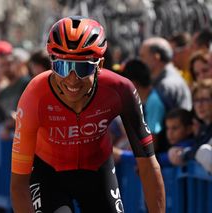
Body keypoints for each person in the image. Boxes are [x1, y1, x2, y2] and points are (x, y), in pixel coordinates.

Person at [10, 16, 165, 213]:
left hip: (97, 171)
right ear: (51, 63)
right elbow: (18, 184)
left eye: (82, 68)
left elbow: (149, 166)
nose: (72, 80)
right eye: (62, 67)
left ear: (99, 65)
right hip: (48, 174)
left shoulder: (120, 90)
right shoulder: (35, 96)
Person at [114, 108, 195, 167]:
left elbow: (157, 160)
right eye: (168, 128)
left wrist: (121, 155)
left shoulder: (187, 146)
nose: (170, 133)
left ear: (189, 129)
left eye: (175, 128)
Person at [168, 79, 212, 166]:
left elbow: (199, 152)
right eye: (196, 100)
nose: (199, 105)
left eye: (204, 100)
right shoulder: (202, 129)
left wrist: (184, 154)